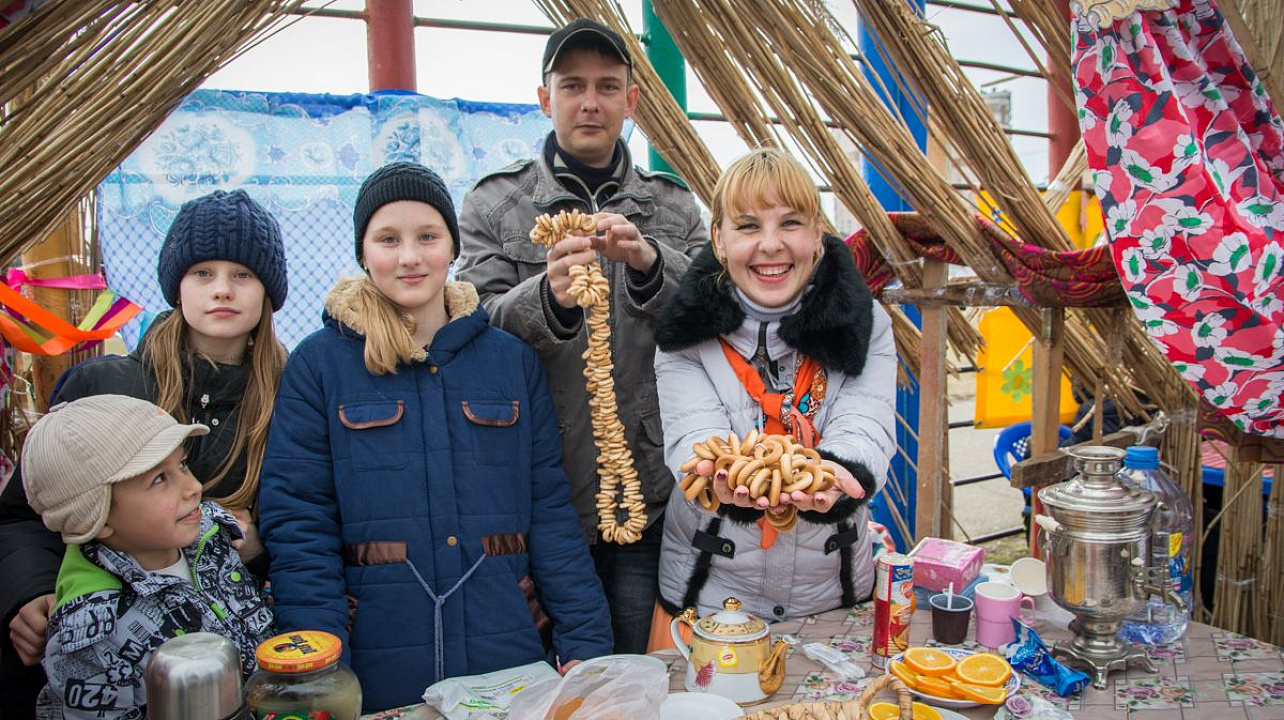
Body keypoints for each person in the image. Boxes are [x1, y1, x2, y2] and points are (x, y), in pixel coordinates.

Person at [258, 162, 613, 713]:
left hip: (507, 653)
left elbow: (548, 510)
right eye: (388, 239)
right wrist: (322, 670)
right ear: (362, 252)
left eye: (427, 236)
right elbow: (299, 523)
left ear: (452, 247)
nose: (409, 257)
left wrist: (586, 644)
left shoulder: (509, 361)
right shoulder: (319, 365)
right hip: (376, 661)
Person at [456, 17, 708, 654]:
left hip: (647, 488)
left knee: (635, 668)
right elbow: (469, 326)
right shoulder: (495, 205)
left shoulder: (673, 210)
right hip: (534, 484)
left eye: (606, 86)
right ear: (546, 98)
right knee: (532, 669)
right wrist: (547, 298)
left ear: (632, 100)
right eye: (572, 86)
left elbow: (716, 314)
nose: (590, 102)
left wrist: (653, 264)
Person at [0, 189, 288, 719]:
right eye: (203, 272)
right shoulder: (106, 386)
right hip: (100, 660)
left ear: (268, 290)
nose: (222, 290)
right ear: (176, 285)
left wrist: (257, 545)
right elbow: (22, 515)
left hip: (229, 655)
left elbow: (309, 516)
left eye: (243, 275)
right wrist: (29, 591)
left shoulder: (291, 398)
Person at [652, 148, 897, 620]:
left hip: (831, 588)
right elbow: (696, 438)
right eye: (747, 226)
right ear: (719, 240)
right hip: (710, 593)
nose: (770, 245)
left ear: (818, 236)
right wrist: (720, 480)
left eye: (790, 223)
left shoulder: (866, 324)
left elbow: (865, 423)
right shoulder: (684, 337)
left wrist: (840, 476)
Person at [21, 394, 276, 720]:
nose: (193, 487)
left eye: (182, 465)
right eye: (159, 479)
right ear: (97, 517)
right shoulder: (92, 635)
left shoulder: (209, 533)